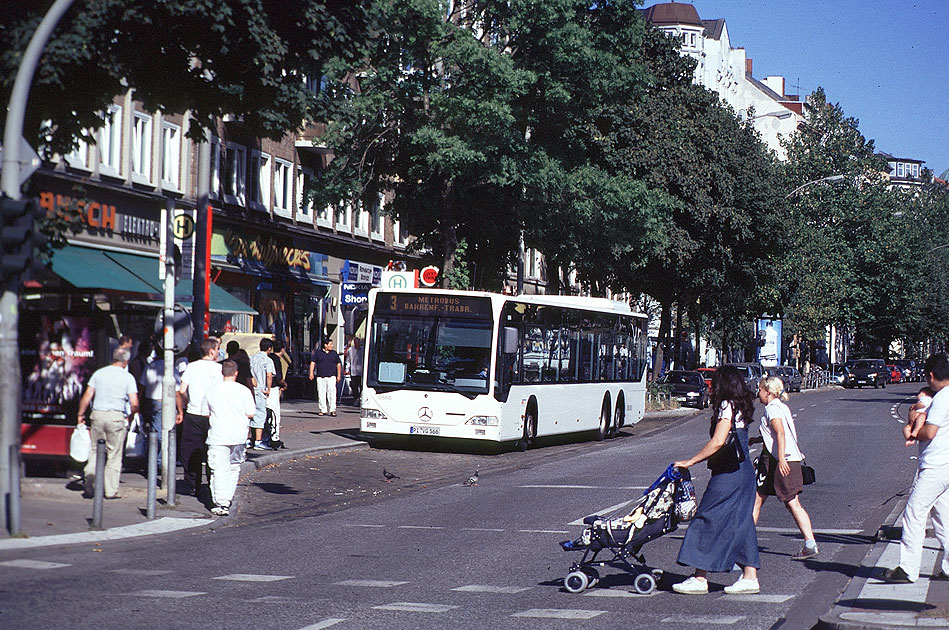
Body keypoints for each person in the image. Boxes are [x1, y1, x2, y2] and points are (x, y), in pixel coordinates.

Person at [672, 364, 760, 595]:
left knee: (707, 517)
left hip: (728, 474)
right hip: (744, 473)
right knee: (742, 522)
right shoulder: (742, 406)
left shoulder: (726, 405)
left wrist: (691, 461)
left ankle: (699, 578)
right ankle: (750, 576)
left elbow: (719, 441)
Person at [884, 353, 949, 583]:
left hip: (935, 466)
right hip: (945, 466)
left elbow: (929, 432)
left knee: (913, 512)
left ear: (930, 376)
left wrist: (912, 427)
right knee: (943, 517)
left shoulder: (942, 398)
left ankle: (908, 568)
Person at [751, 376, 819, 560]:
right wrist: (757, 440)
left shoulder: (772, 408)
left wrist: (781, 459)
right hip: (782, 459)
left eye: (760, 390)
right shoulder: (781, 407)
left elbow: (780, 432)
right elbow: (777, 434)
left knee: (791, 503)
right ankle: (744, 543)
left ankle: (810, 543)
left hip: (780, 461)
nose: (758, 393)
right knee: (759, 499)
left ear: (768, 392)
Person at [76, 347, 139, 499]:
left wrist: (80, 414)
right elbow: (134, 402)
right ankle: (110, 490)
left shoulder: (99, 373)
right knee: (114, 455)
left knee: (94, 451)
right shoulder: (128, 377)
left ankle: (89, 486)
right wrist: (130, 416)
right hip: (116, 417)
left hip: (97, 415)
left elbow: (87, 395)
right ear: (125, 361)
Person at [204, 360, 256, 516]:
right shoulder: (244, 391)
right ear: (236, 373)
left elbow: (206, 413)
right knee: (234, 467)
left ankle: (220, 501)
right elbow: (251, 413)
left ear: (222, 373)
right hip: (238, 435)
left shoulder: (211, 391)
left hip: (218, 434)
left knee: (218, 469)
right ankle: (227, 499)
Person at [176, 339, 223, 496]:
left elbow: (182, 390)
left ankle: (192, 484)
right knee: (212, 450)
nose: (218, 352)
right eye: (217, 349)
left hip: (193, 413)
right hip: (212, 414)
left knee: (191, 449)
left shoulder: (191, 367)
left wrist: (188, 402)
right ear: (211, 351)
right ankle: (212, 483)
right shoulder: (218, 369)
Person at [248, 338, 275, 449]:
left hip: (251, 389)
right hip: (260, 390)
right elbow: (269, 375)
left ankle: (248, 439)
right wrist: (268, 388)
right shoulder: (268, 360)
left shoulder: (251, 358)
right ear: (269, 348)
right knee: (260, 414)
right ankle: (258, 441)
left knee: (249, 415)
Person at [309, 337, 341, 416]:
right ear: (325, 345)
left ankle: (332, 409)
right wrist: (311, 373)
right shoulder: (318, 353)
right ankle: (323, 409)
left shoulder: (334, 353)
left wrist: (339, 375)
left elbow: (338, 364)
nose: (332, 346)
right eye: (330, 344)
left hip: (331, 376)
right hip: (321, 376)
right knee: (321, 393)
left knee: (332, 393)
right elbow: (313, 363)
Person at [267, 339, 288, 442]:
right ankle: (274, 437)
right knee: (274, 413)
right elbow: (278, 377)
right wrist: (284, 384)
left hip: (263, 388)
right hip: (273, 388)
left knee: (266, 413)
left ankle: (264, 435)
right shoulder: (276, 360)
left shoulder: (267, 357)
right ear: (282, 350)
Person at [346, 337, 364, 405]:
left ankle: (361, 398)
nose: (357, 344)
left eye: (358, 342)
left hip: (361, 371)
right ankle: (356, 398)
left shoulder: (363, 349)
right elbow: (348, 360)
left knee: (361, 386)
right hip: (353, 371)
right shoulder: (350, 350)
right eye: (355, 342)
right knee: (353, 386)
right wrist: (347, 369)